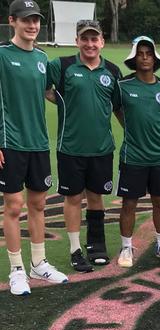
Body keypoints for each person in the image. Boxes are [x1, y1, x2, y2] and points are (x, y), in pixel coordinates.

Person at [1, 0, 68, 295]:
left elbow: (50, 93)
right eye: (26, 20)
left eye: (36, 20)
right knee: (14, 206)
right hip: (10, 143)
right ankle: (16, 269)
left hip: (39, 143)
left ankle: (38, 263)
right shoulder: (2, 55)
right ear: (12, 21)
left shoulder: (42, 58)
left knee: (39, 204)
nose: (32, 25)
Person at [46, 20, 122, 272]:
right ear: (77, 40)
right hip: (71, 147)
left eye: (94, 39)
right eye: (84, 38)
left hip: (102, 148)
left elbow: (118, 106)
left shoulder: (112, 70)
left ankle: (97, 245)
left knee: (96, 197)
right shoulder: (62, 65)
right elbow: (44, 88)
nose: (89, 43)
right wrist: (63, 101)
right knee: (73, 198)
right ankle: (75, 249)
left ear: (102, 41)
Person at [114, 36, 160, 267]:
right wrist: (129, 125)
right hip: (133, 157)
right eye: (140, 53)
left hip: (159, 156)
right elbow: (115, 109)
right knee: (129, 204)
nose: (145, 57)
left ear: (155, 57)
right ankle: (127, 248)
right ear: (134, 57)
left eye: (148, 53)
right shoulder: (122, 86)